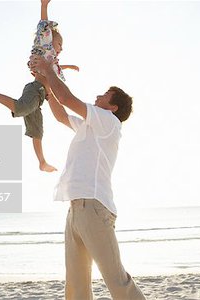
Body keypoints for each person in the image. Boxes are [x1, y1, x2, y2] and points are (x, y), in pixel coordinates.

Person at [29, 55, 147, 299]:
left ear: (113, 107)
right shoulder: (90, 126)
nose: (98, 96)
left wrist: (49, 71)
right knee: (76, 285)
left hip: (93, 207)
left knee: (117, 280)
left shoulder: (109, 122)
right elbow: (61, 114)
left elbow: (67, 99)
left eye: (105, 95)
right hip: (76, 209)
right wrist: (46, 86)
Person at [0, 0, 78, 172]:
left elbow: (56, 71)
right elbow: (44, 26)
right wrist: (44, 6)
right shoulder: (45, 47)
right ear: (50, 40)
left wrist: (68, 67)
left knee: (37, 131)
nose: (61, 48)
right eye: (60, 44)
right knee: (21, 108)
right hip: (35, 90)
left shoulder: (53, 61)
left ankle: (42, 162)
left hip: (39, 98)